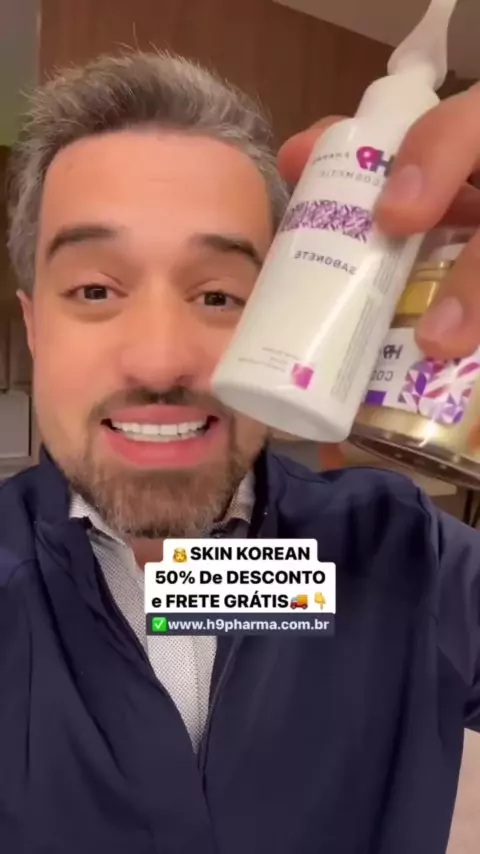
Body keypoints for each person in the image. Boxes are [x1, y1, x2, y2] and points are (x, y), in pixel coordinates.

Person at [1, 51, 480, 854]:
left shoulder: (402, 555)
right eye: (95, 291)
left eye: (219, 295)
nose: (160, 361)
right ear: (34, 327)